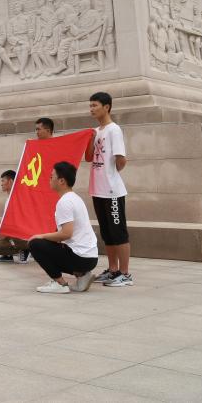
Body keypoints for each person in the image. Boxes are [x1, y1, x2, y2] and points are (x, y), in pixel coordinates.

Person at [28, 161, 99, 294]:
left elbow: (66, 234)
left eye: (52, 177)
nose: (49, 179)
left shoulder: (65, 202)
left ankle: (60, 284)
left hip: (81, 258)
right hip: (90, 258)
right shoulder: (75, 198)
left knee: (35, 244)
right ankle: (83, 275)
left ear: (61, 181)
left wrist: (41, 236)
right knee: (46, 242)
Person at [85, 91, 132, 287]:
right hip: (98, 190)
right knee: (107, 233)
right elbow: (88, 157)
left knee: (118, 232)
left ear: (107, 107)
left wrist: (111, 175)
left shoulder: (114, 130)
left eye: (95, 105)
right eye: (90, 105)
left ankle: (125, 274)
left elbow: (121, 160)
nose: (91, 109)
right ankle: (113, 270)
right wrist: (90, 138)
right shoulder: (96, 131)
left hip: (112, 191)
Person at [0, 170, 29, 263]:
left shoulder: (19, 198)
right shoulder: (9, 198)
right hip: (14, 232)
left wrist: (6, 232)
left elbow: (19, 221)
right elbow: (7, 218)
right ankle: (7, 256)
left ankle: (24, 248)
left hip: (23, 235)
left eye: (3, 181)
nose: (1, 184)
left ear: (10, 181)